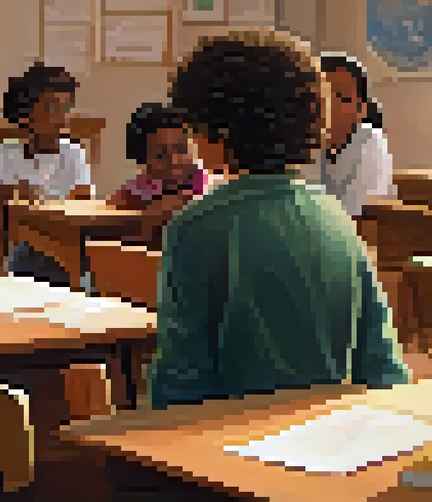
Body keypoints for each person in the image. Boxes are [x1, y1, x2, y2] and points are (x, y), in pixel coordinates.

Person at [147, 30, 410, 409]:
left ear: (215, 133)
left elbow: (182, 374)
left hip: (232, 447)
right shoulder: (334, 216)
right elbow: (382, 361)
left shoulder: (195, 227)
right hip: (332, 438)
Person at [0, 62, 92, 287]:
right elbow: (4, 217)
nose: (61, 117)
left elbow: (82, 210)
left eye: (65, 107)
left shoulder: (74, 154)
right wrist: (1, 261)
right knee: (25, 258)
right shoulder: (10, 154)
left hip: (69, 245)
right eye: (50, 108)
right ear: (27, 114)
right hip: (29, 249)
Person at [302, 53, 394, 218]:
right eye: (320, 95)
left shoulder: (372, 143)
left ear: (361, 110)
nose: (329, 104)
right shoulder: (310, 143)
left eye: (340, 96)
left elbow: (359, 213)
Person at [107, 102, 213, 242]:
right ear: (142, 159)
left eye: (181, 150)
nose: (174, 161)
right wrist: (150, 218)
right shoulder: (132, 196)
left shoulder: (211, 190)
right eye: (160, 154)